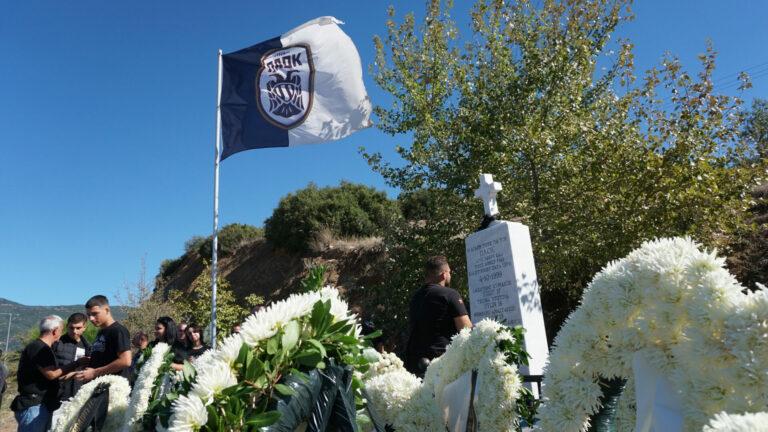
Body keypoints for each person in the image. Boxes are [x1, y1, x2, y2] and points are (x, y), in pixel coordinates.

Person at [12, 316, 86, 431]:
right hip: (34, 406)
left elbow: (53, 376)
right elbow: (51, 374)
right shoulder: (40, 348)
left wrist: (74, 373)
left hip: (40, 405)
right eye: (61, 330)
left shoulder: (41, 347)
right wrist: (77, 363)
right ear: (55, 331)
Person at [405, 256, 472, 377]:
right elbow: (466, 329)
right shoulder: (450, 294)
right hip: (442, 364)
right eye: (449, 272)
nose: (450, 275)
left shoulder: (415, 297)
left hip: (416, 364)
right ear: (444, 274)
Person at [76, 295, 132, 381]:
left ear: (107, 310)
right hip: (99, 384)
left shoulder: (118, 330)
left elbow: (125, 361)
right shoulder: (101, 332)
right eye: (88, 315)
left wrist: (94, 372)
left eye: (95, 314)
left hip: (114, 385)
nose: (91, 318)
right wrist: (91, 361)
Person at [53, 313, 91, 401]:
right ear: (67, 326)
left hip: (78, 395)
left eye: (78, 328)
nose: (74, 331)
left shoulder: (88, 347)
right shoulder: (56, 343)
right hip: (56, 394)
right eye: (71, 328)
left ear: (84, 327)